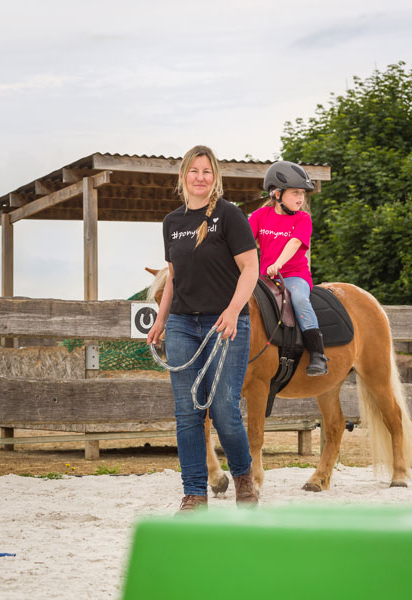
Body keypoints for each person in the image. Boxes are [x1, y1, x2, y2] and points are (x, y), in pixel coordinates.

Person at [147, 145, 260, 511]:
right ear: (183, 177)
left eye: (207, 171)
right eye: (194, 171)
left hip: (225, 324)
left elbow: (250, 269)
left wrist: (232, 311)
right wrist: (161, 319)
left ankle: (244, 479)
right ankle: (194, 493)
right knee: (187, 413)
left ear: (216, 178)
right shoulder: (172, 223)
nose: (200, 177)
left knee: (225, 410)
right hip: (182, 324)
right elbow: (174, 278)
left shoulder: (230, 216)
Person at [248, 160, 328, 376]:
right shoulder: (259, 217)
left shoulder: (303, 219)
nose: (300, 198)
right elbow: (244, 242)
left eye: (302, 193)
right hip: (265, 278)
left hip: (294, 275)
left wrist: (278, 263)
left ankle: (317, 354)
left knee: (299, 299)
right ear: (276, 194)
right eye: (295, 193)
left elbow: (294, 243)